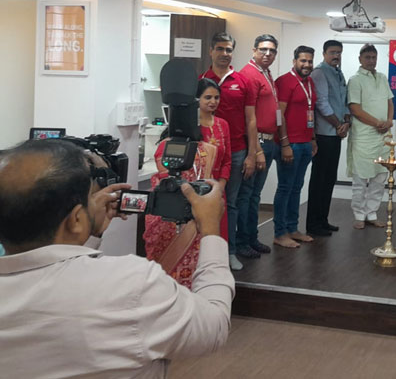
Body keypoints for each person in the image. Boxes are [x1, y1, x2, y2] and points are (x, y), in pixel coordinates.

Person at [0, 139, 234, 377]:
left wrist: (88, 234)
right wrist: (210, 230)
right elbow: (213, 326)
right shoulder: (132, 284)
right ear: (76, 219)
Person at [145, 77, 232, 287]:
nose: (213, 102)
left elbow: (227, 160)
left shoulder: (223, 124)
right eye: (208, 97)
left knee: (212, 242)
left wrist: (220, 185)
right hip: (183, 198)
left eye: (216, 97)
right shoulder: (181, 133)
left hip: (213, 193)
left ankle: (207, 284)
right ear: (196, 100)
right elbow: (165, 171)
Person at [201, 31, 260, 271]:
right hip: (205, 154)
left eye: (229, 49)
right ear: (211, 51)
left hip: (236, 152)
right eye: (220, 49)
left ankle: (229, 252)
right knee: (203, 203)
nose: (225, 53)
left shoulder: (242, 80)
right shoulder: (201, 80)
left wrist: (252, 154)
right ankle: (203, 254)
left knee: (230, 204)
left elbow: (251, 119)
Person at [238, 34, 283, 258]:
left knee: (255, 194)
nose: (267, 54)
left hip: (270, 140)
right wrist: (256, 150)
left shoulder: (265, 73)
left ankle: (251, 238)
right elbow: (249, 117)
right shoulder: (248, 74)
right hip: (258, 142)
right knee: (246, 195)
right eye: (263, 49)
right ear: (254, 50)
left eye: (272, 51)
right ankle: (241, 242)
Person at [273, 46, 319, 248]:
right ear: (294, 62)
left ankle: (293, 228)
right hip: (290, 143)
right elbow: (279, 115)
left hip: (306, 143)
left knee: (296, 187)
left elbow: (311, 112)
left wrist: (313, 138)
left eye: (310, 61)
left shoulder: (309, 82)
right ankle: (280, 233)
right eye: (303, 61)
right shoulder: (285, 81)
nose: (307, 64)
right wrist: (285, 143)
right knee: (285, 187)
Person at [346, 43, 394, 229]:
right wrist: (377, 123)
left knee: (380, 178)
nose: (371, 61)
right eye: (367, 57)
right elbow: (355, 109)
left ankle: (371, 213)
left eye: (374, 57)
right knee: (360, 179)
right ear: (360, 59)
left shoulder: (382, 78)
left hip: (383, 137)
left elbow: (390, 102)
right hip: (364, 136)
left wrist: (388, 121)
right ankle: (359, 214)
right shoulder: (355, 80)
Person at [307, 39, 350, 237]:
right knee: (319, 180)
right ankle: (313, 224)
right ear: (324, 53)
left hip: (335, 134)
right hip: (324, 134)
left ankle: (323, 220)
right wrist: (338, 125)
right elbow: (322, 103)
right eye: (332, 52)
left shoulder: (338, 73)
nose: (336, 56)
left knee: (330, 179)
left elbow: (344, 102)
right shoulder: (319, 73)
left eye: (339, 52)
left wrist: (346, 122)